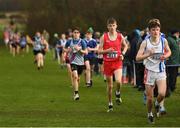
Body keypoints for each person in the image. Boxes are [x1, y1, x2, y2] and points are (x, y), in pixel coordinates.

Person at [136, 19, 171, 124]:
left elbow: (169, 51)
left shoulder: (163, 41)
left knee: (162, 94)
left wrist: (165, 56)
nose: (156, 32)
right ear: (149, 31)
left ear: (159, 30)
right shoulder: (145, 42)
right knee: (149, 98)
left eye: (157, 29)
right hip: (149, 72)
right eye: (153, 30)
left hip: (160, 71)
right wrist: (148, 54)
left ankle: (158, 103)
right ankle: (150, 113)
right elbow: (137, 57)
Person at [98, 17, 128, 112]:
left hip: (117, 62)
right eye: (110, 26)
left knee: (119, 81)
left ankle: (118, 92)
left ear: (116, 26)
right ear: (107, 26)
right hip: (107, 63)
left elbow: (126, 45)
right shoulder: (104, 37)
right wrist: (107, 50)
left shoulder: (120, 36)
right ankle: (110, 103)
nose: (112, 27)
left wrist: (123, 54)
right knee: (110, 86)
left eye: (113, 25)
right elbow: (99, 51)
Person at [64, 27, 87, 100]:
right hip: (73, 61)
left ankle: (75, 91)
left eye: (77, 32)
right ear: (72, 34)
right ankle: (77, 94)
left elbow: (86, 52)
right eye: (75, 32)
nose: (76, 34)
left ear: (79, 34)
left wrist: (80, 50)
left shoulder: (82, 41)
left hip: (81, 62)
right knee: (75, 76)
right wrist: (68, 50)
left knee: (78, 79)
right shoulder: (69, 41)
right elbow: (64, 48)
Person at [166, 29, 180, 95]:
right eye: (178, 33)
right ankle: (169, 88)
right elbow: (166, 49)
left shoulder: (176, 40)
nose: (179, 34)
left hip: (176, 61)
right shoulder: (169, 39)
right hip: (171, 62)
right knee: (171, 76)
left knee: (174, 76)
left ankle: (173, 87)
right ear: (175, 33)